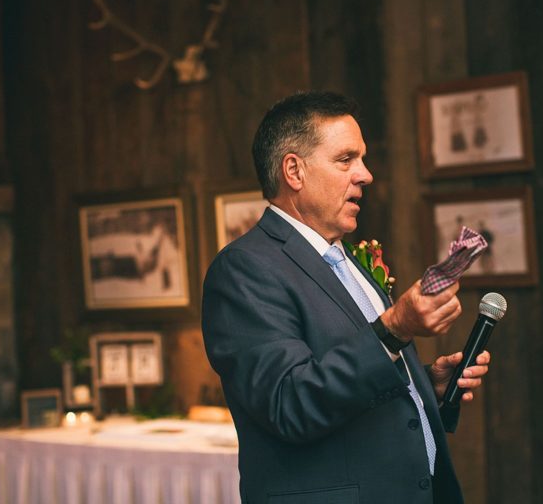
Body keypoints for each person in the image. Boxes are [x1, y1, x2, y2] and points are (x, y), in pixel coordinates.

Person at [202, 91, 491, 503]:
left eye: (363, 159)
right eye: (346, 160)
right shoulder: (244, 269)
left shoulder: (346, 259)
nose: (365, 175)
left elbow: (354, 377)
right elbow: (291, 403)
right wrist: (394, 329)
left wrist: (422, 384)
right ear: (294, 171)